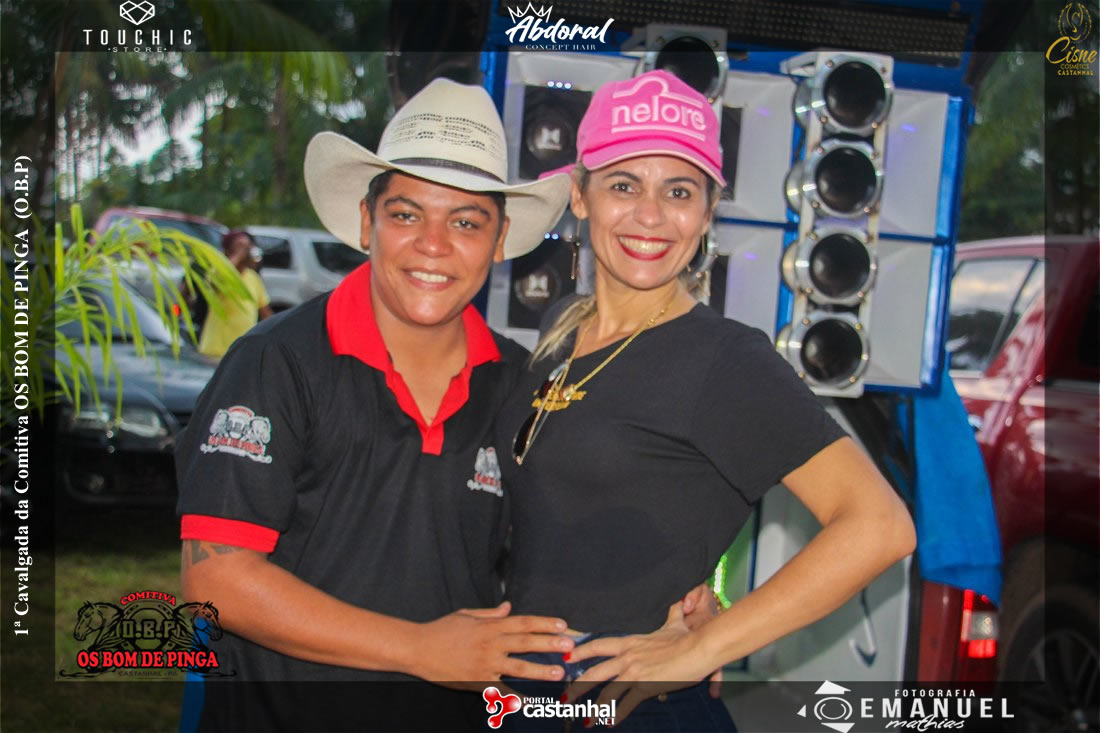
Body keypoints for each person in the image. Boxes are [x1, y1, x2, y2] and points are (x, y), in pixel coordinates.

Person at [175, 78, 717, 733]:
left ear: (500, 238)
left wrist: (683, 601)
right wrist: (419, 648)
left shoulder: (525, 383)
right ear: (367, 221)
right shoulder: (276, 362)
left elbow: (581, 530)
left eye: (465, 222)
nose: (433, 244)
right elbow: (216, 583)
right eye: (406, 215)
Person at [495, 70, 917, 730]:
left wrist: (704, 646)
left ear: (708, 211)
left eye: (679, 191)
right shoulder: (563, 327)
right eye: (623, 185)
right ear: (579, 194)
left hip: (627, 707)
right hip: (525, 694)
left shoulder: (725, 360)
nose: (651, 215)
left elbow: (880, 525)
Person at [196, 229, 274, 358]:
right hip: (216, 351)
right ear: (228, 250)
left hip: (242, 352)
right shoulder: (217, 272)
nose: (246, 250)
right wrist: (238, 255)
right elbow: (217, 281)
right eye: (240, 245)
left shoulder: (253, 278)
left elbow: (265, 313)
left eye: (247, 246)